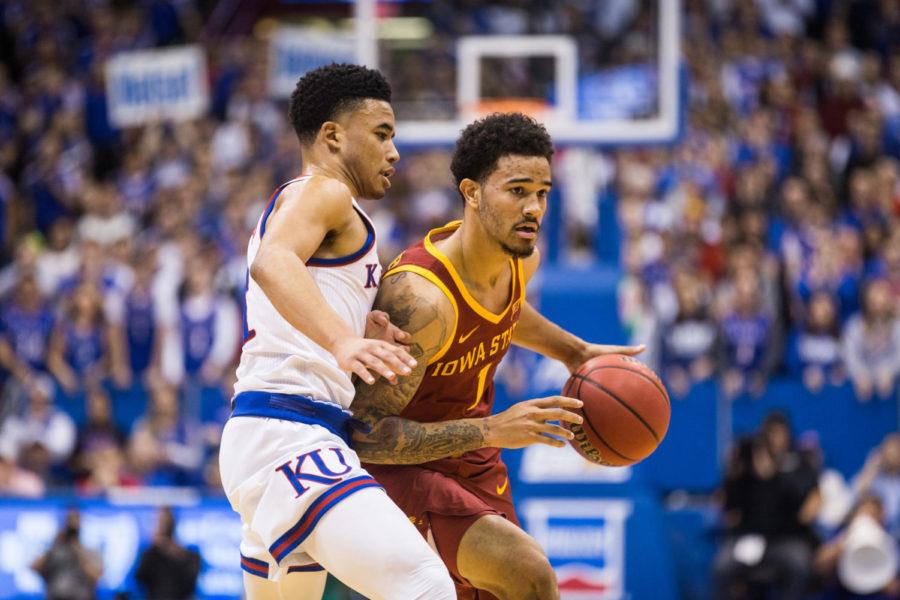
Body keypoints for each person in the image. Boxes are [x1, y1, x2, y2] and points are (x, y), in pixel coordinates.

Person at [352, 113, 643, 600]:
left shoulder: (518, 257)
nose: (533, 208)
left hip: (471, 459)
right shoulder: (422, 302)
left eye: (543, 193)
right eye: (517, 191)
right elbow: (364, 437)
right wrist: (493, 429)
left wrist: (574, 352)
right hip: (402, 470)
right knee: (530, 576)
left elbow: (506, 310)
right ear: (471, 192)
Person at [218, 64, 454, 600]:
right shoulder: (325, 192)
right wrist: (341, 340)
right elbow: (274, 263)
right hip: (289, 432)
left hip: (280, 431)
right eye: (382, 134)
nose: (395, 152)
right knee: (425, 584)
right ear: (332, 136)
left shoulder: (311, 206)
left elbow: (291, 277)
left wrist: (360, 322)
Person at [31, 508, 103, 600]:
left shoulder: (90, 552)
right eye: (69, 522)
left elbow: (96, 576)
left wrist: (78, 550)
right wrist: (54, 545)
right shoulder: (54, 552)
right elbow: (34, 567)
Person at [135, 507, 201, 600]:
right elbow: (140, 578)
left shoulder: (188, 554)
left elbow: (190, 582)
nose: (162, 525)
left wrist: (166, 546)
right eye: (160, 521)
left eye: (165, 521)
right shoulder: (150, 554)